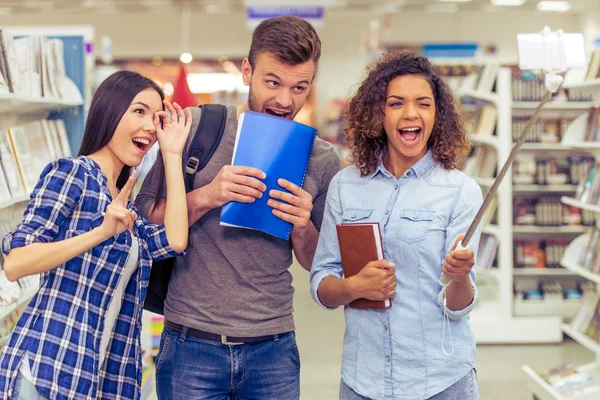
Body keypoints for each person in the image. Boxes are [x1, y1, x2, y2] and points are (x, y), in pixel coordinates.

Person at [135, 16, 341, 400]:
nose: (285, 100)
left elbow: (320, 263)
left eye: (300, 87)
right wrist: (207, 195)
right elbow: (145, 218)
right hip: (189, 343)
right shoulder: (196, 127)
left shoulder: (321, 157)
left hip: (273, 348)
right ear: (247, 71)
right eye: (273, 82)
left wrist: (301, 225)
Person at [0, 71, 191, 400]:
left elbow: (175, 240)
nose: (149, 125)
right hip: (48, 371)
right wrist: (100, 233)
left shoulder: (121, 202)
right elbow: (16, 263)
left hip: (96, 378)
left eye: (156, 116)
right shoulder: (72, 173)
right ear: (110, 111)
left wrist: (172, 155)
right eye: (139, 111)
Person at [309, 51, 483, 400]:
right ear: (378, 113)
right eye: (396, 103)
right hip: (363, 380)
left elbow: (458, 306)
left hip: (440, 380)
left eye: (423, 103)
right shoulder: (346, 185)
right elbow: (321, 283)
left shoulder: (460, 191)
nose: (410, 114)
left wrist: (460, 276)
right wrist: (354, 287)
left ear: (437, 114)